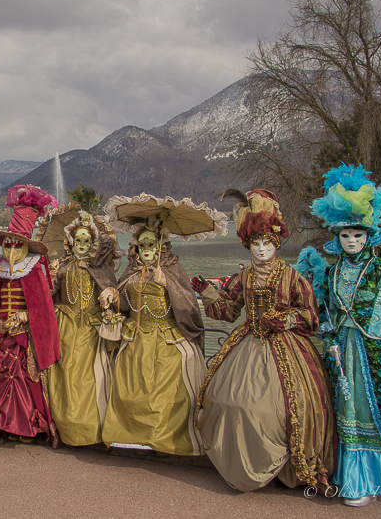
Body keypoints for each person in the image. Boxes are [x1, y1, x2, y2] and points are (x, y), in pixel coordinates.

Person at [192, 189, 335, 492]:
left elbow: (311, 317)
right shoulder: (242, 278)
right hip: (248, 346)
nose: (260, 250)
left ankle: (286, 468)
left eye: (266, 243)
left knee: (276, 410)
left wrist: (286, 320)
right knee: (225, 401)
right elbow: (228, 311)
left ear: (276, 244)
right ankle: (241, 465)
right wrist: (208, 292)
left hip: (288, 351)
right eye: (255, 244)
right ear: (247, 244)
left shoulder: (294, 279)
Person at [310, 164, 381, 506]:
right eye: (346, 236)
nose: (352, 241)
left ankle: (380, 480)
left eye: (358, 235)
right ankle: (353, 481)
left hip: (376, 352)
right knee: (349, 411)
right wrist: (329, 344)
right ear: (336, 236)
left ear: (368, 234)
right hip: (344, 353)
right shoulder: (330, 273)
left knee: (377, 413)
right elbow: (327, 316)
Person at [101, 219, 206, 455]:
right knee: (129, 385)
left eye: (152, 244)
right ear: (136, 248)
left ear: (162, 246)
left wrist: (167, 283)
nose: (147, 249)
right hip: (135, 337)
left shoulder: (173, 270)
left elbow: (189, 305)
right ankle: (130, 436)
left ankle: (165, 439)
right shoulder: (131, 272)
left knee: (165, 390)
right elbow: (125, 306)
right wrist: (111, 294)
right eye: (142, 244)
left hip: (166, 337)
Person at [0, 184, 60, 446]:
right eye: (8, 246)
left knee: (22, 376)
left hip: (22, 337)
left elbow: (42, 308)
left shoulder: (33, 270)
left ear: (25, 247)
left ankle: (25, 427)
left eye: (17, 246)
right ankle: (3, 426)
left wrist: (25, 317)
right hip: (0, 331)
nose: (12, 251)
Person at [47, 211, 119, 446]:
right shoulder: (63, 266)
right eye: (78, 240)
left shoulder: (100, 268)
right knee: (65, 375)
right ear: (70, 242)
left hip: (91, 329)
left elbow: (115, 295)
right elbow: (49, 296)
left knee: (91, 377)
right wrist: (51, 277)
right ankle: (65, 429)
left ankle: (92, 431)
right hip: (65, 327)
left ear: (93, 243)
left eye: (87, 241)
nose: (82, 245)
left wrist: (111, 295)